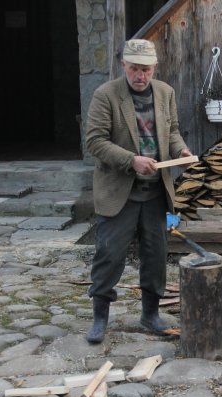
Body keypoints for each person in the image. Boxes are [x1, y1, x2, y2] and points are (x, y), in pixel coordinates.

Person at [84, 38, 193, 343]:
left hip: (156, 190)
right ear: (124, 66)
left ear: (154, 68)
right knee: (109, 253)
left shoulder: (165, 93)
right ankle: (100, 318)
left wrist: (181, 151)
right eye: (134, 69)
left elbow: (171, 132)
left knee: (155, 254)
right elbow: (94, 141)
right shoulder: (106, 95)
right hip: (119, 190)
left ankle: (151, 314)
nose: (140, 76)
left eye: (146, 69)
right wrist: (131, 160)